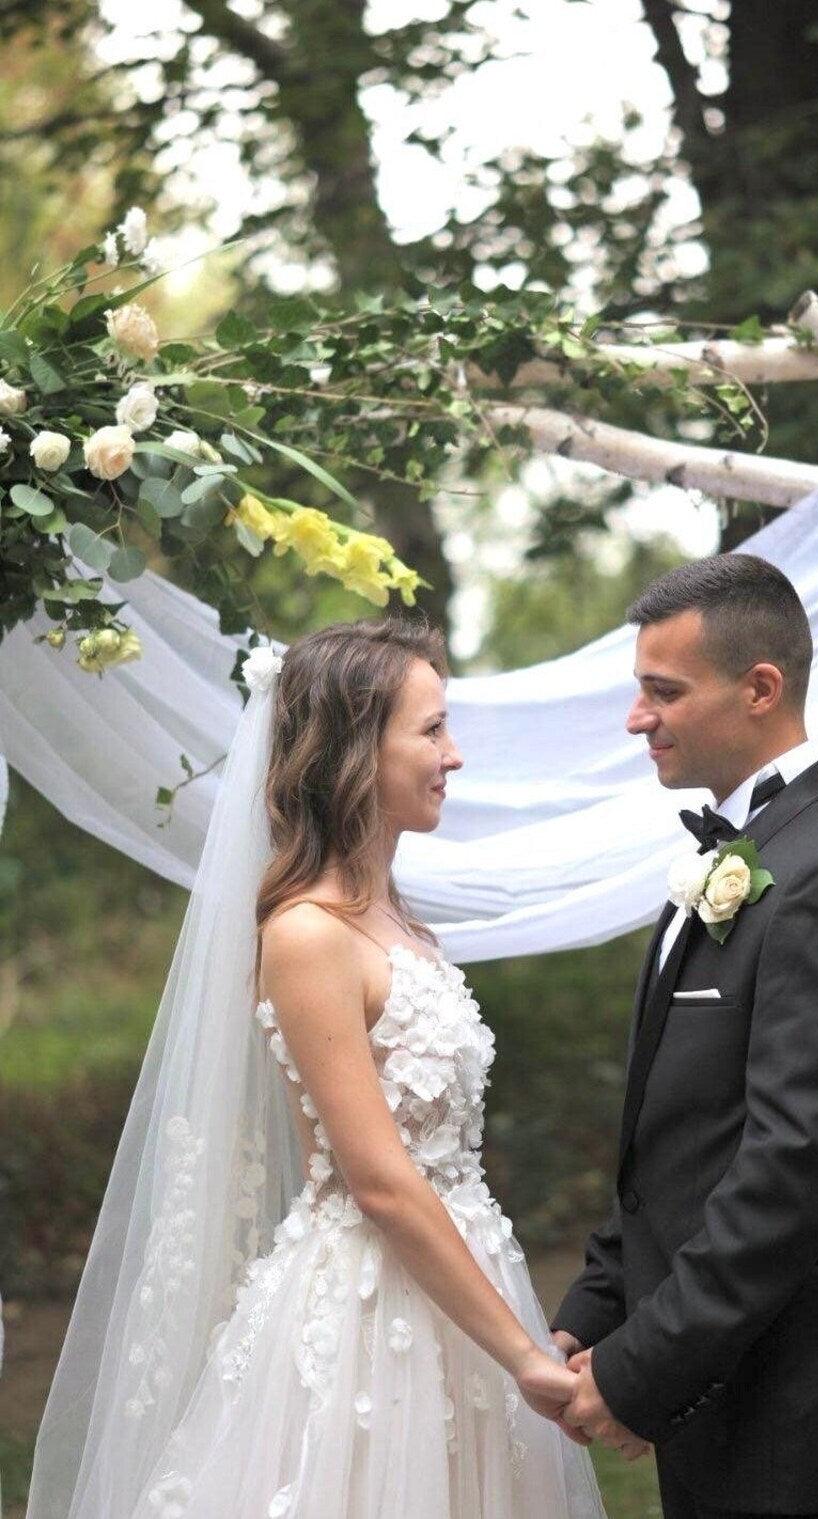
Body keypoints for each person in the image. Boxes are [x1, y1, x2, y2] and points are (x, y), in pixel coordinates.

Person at [27, 618, 612, 1519]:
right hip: (375, 1316)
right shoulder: (308, 933)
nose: (452, 755)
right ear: (354, 750)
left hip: (461, 1284)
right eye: (430, 730)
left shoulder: (399, 920)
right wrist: (524, 1356)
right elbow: (377, 1179)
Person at [551, 554, 818, 1519]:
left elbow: (792, 1170)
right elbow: (679, 1140)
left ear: (760, 687)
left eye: (663, 691)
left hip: (799, 1410)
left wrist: (641, 1367)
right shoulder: (744, 857)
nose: (638, 717)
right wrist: (593, 1313)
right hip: (730, 1389)